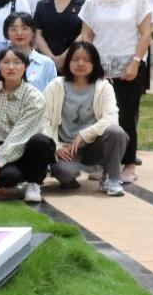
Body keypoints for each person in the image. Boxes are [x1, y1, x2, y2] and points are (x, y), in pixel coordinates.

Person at [77, 0, 152, 184]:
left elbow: (146, 34)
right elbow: (87, 34)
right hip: (100, 69)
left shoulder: (139, 0)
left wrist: (135, 62)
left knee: (126, 116)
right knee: (99, 116)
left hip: (129, 68)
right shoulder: (92, 2)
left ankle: (128, 164)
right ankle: (102, 162)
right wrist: (90, 64)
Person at [44, 41, 128, 197]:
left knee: (116, 132)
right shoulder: (55, 86)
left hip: (94, 144)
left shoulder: (104, 86)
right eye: (75, 59)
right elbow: (44, 120)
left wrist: (83, 136)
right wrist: (56, 147)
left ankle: (111, 178)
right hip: (67, 148)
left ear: (95, 63)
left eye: (87, 60)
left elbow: (111, 118)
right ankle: (69, 178)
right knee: (64, 173)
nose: (81, 64)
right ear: (68, 61)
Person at [0, 47, 55, 204]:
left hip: (28, 148)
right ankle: (18, 180)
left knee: (41, 141)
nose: (11, 67)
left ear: (26, 67)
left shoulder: (34, 97)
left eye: (17, 62)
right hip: (1, 147)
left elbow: (20, 135)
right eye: (5, 62)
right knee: (7, 178)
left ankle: (35, 183)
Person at [0, 12, 58, 91]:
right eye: (13, 29)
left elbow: (53, 95)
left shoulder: (47, 63)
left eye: (25, 28)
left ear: (33, 32)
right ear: (6, 33)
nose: (19, 33)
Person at [33, 0, 87, 66]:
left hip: (75, 60)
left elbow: (84, 33)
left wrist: (63, 58)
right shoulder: (42, 5)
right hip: (45, 61)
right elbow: (37, 34)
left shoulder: (85, 3)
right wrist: (51, 59)